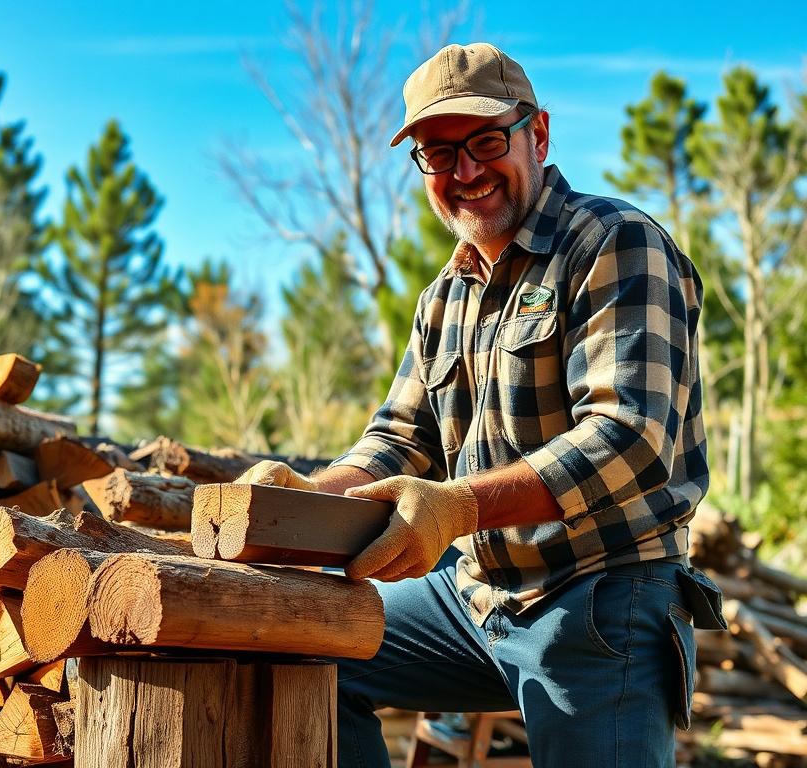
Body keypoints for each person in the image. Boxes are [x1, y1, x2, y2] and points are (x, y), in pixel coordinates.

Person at [238, 43, 726, 767]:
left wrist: (457, 508)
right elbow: (399, 441)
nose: (464, 172)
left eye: (486, 142)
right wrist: (307, 498)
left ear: (539, 134)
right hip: (472, 601)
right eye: (439, 155)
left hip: (599, 598)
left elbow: (630, 437)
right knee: (303, 651)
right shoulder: (445, 295)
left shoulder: (614, 244)